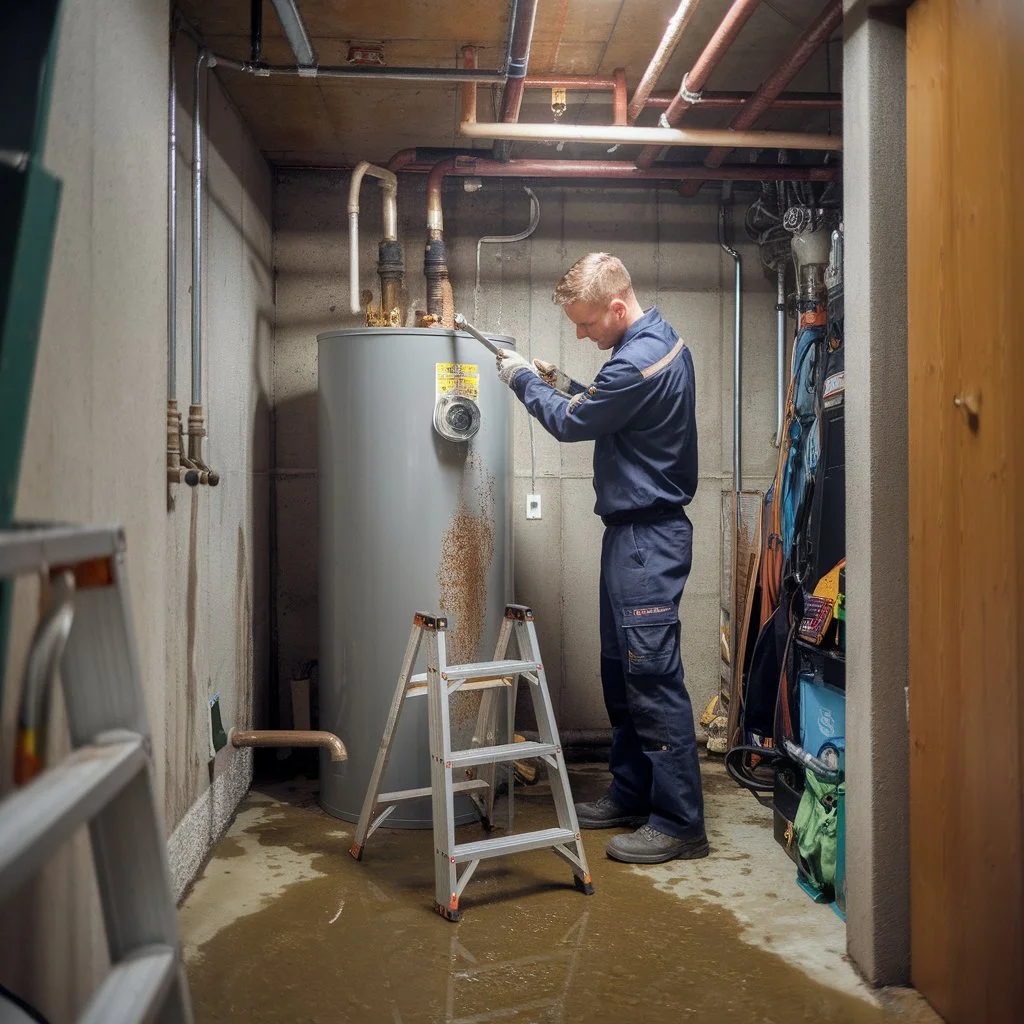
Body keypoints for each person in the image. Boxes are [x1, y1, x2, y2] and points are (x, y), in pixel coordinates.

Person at [495, 252, 707, 865]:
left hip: (648, 540)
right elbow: (603, 403)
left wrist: (522, 382)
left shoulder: (635, 364)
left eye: (586, 324)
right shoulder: (653, 344)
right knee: (621, 673)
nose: (581, 335)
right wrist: (557, 377)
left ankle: (679, 823)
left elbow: (571, 422)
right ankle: (633, 793)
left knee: (652, 678)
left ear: (617, 306)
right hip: (632, 538)